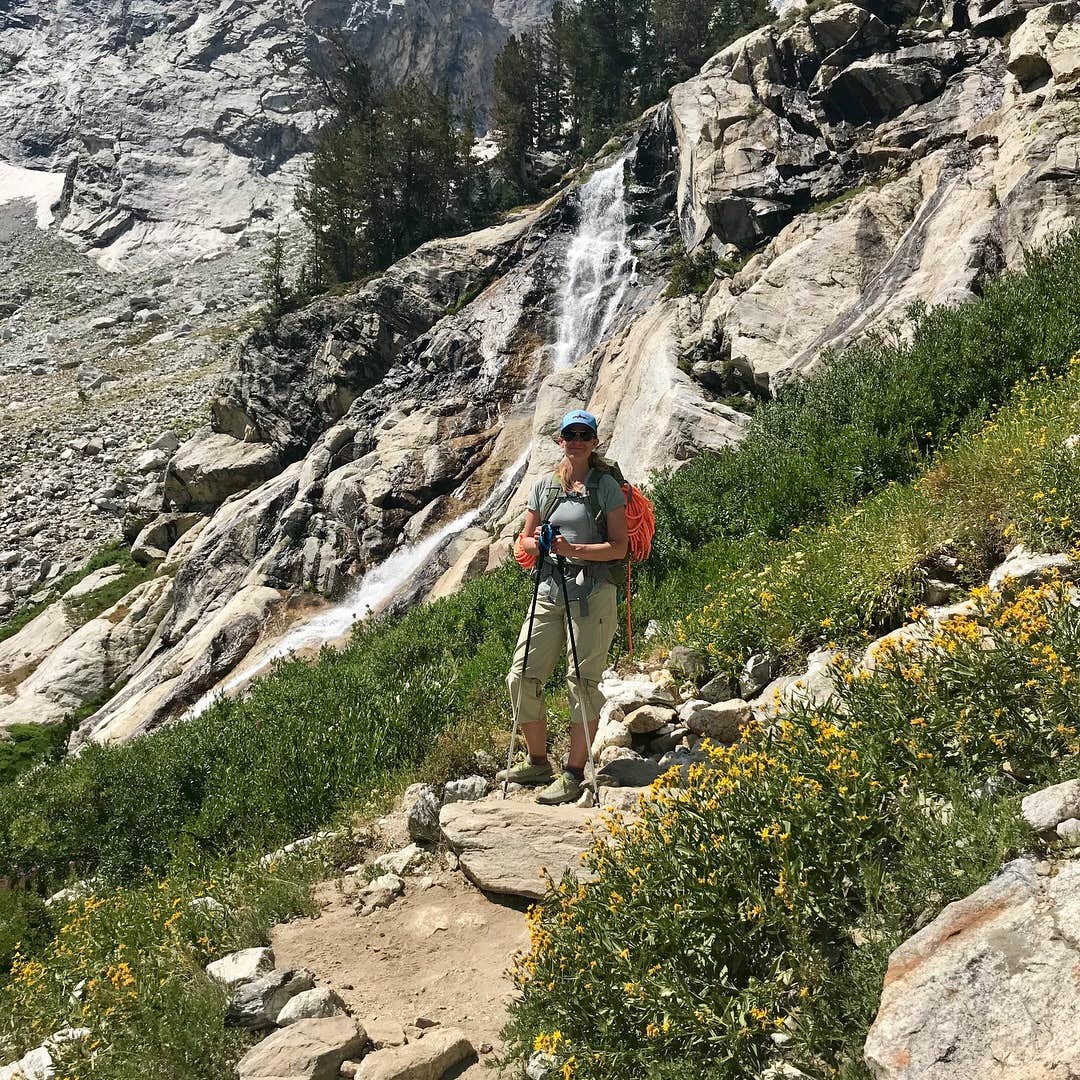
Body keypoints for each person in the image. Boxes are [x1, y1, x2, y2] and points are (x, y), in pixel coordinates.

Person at [500, 410, 629, 805]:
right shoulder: (543, 487)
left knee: (583, 681)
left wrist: (572, 550)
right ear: (560, 440)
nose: (576, 440)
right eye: (569, 434)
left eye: (583, 434)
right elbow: (522, 541)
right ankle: (538, 762)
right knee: (521, 675)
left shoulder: (605, 487)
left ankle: (574, 772)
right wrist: (536, 544)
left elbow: (619, 547)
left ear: (593, 442)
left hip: (592, 593)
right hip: (549, 589)